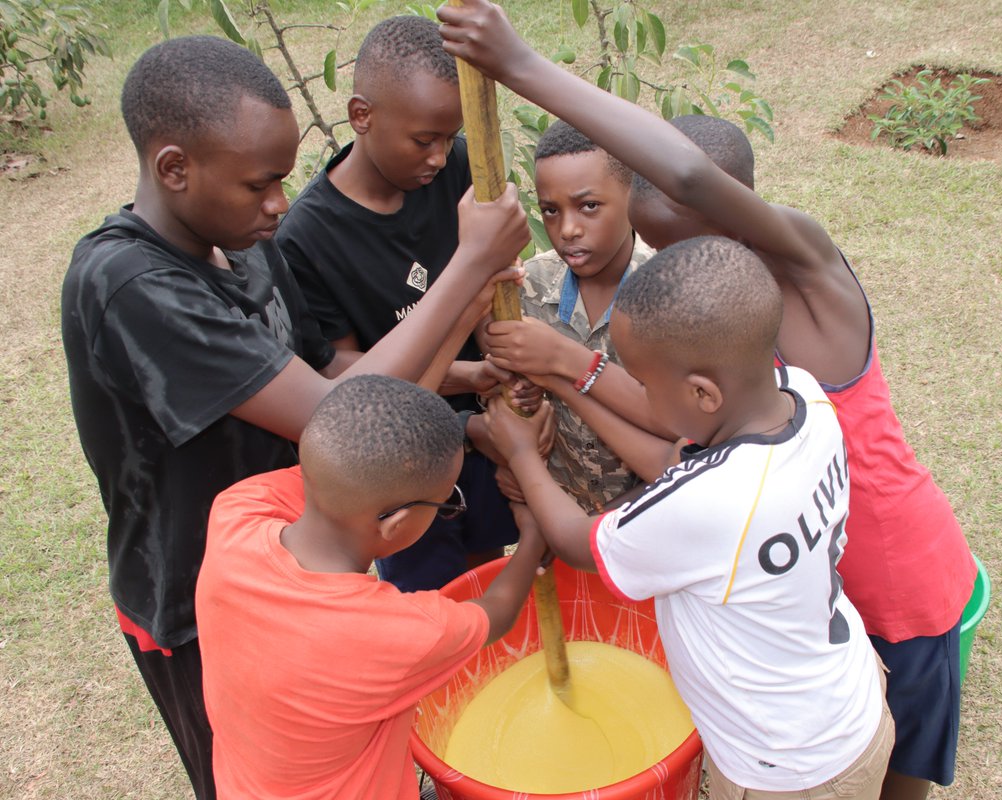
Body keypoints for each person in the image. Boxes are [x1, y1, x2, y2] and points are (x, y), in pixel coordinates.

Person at [438, 5, 977, 797]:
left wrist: (518, 65)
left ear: (729, 212)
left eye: (679, 242)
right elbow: (671, 429)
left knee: (895, 765)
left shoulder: (808, 285)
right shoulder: (782, 392)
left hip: (892, 579)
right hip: (807, 586)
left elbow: (688, 179)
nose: (670, 268)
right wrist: (566, 374)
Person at [60, 35, 527, 798]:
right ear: (174, 168)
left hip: (303, 555)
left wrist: (469, 335)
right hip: (208, 602)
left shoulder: (242, 241)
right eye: (259, 184)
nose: (281, 202)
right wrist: (469, 268)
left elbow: (348, 390)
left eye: (281, 178)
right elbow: (336, 414)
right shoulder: (128, 284)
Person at [479, 236, 893, 800]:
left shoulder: (709, 505)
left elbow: (580, 543)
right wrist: (561, 380)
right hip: (846, 701)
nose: (641, 393)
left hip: (787, 769)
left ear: (702, 393)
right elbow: (674, 460)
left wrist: (525, 457)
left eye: (646, 383)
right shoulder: (804, 396)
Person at [195, 375, 546, 800]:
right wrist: (533, 533)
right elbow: (500, 611)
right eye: (447, 500)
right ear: (396, 524)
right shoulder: (387, 631)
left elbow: (361, 455)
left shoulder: (238, 511)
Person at [277, 15, 529, 592]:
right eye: (424, 140)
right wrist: (468, 370)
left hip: (486, 429)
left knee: (491, 561)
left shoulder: (461, 167)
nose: (440, 157)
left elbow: (494, 288)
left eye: (449, 138)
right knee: (429, 589)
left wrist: (495, 360)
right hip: (398, 467)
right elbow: (343, 373)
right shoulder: (306, 239)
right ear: (362, 115)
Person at [486, 119, 654, 511]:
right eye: (550, 211)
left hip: (655, 517)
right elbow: (511, 396)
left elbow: (681, 424)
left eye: (589, 206)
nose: (568, 230)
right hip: (566, 513)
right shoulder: (529, 287)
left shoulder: (667, 290)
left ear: (632, 195)